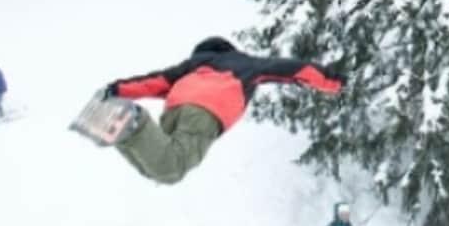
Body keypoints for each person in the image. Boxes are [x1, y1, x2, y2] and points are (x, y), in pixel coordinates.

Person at [94, 37, 345, 186]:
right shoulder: (245, 64)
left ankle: (117, 126)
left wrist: (116, 90)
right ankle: (134, 122)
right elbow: (290, 69)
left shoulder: (192, 67)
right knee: (171, 168)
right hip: (206, 111)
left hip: (175, 110)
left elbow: (153, 82)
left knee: (156, 170)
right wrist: (331, 81)